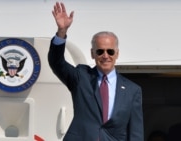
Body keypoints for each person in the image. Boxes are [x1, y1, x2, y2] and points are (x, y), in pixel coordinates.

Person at [48, 2, 144, 141]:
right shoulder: (81, 77)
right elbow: (56, 62)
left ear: (117, 54)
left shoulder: (132, 90)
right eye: (100, 51)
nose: (105, 56)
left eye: (110, 51)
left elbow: (136, 134)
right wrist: (61, 33)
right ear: (92, 54)